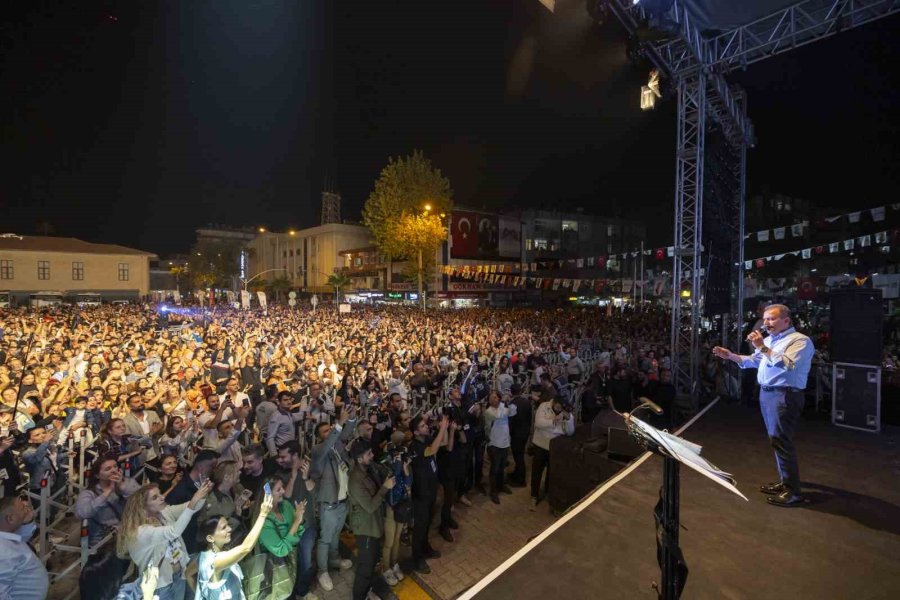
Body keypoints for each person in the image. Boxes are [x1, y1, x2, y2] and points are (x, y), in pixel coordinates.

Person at [712, 303, 814, 507]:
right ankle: (785, 482)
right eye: (765, 318)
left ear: (786, 320)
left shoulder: (800, 341)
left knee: (781, 440)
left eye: (772, 319)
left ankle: (794, 492)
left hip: (784, 395)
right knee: (776, 440)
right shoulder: (769, 340)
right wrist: (730, 356)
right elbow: (754, 361)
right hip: (767, 394)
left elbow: (786, 364)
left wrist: (762, 347)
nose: (766, 323)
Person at [116, 479, 214, 600]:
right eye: (155, 498)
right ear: (143, 507)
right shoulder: (141, 531)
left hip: (179, 575)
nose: (162, 498)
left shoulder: (164, 512)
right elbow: (174, 531)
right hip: (160, 586)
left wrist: (203, 493)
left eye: (160, 494)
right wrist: (195, 499)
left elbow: (192, 507)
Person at [309, 409, 357, 592]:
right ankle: (322, 571)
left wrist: (351, 418)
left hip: (343, 501)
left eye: (330, 429)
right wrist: (339, 424)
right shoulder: (318, 451)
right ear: (319, 437)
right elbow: (328, 443)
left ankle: (334, 559)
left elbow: (346, 433)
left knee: (336, 534)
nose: (329, 432)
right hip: (328, 505)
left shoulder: (337, 445)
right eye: (325, 431)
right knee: (325, 539)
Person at [195, 491, 274, 600]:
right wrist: (263, 514)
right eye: (223, 528)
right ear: (210, 538)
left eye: (227, 525)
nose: (229, 529)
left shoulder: (204, 556)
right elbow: (245, 548)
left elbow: (189, 573)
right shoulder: (215, 561)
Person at [346, 438, 397, 600]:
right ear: (359, 458)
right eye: (369, 454)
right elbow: (369, 506)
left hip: (375, 525)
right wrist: (385, 488)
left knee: (373, 560)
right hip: (366, 529)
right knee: (365, 568)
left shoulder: (369, 469)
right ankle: (359, 597)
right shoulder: (355, 480)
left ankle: (367, 592)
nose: (372, 455)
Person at [242, 476, 306, 600]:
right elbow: (280, 550)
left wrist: (299, 521)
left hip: (291, 558)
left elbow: (299, 531)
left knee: (292, 589)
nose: (283, 491)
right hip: (274, 569)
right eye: (278, 489)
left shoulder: (286, 505)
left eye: (282, 487)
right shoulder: (264, 522)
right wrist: (297, 522)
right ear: (268, 495)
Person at [275, 441, 319, 600]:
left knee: (306, 561)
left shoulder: (310, 468)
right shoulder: (282, 473)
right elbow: (285, 497)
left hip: (307, 525)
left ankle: (302, 591)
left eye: (283, 456)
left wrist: (305, 477)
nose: (280, 460)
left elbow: (315, 493)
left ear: (294, 455)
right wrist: (293, 476)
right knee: (290, 561)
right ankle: (290, 592)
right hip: (289, 527)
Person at [408, 414, 448, 574]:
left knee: (427, 523)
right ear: (416, 432)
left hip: (430, 489)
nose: (426, 427)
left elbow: (443, 442)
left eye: (425, 425)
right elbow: (433, 450)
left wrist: (445, 429)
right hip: (421, 493)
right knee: (420, 527)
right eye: (422, 426)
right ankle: (416, 559)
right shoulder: (415, 446)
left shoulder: (426, 439)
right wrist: (442, 429)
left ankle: (425, 548)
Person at [75, 453, 140, 546]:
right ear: (97, 475)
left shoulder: (128, 482)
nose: (113, 470)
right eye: (108, 469)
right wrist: (107, 492)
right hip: (104, 540)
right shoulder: (89, 493)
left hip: (129, 533)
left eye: (115, 466)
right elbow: (81, 513)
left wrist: (123, 487)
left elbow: (142, 501)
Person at [530, 396, 575, 511]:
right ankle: (534, 495)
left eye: (561, 408)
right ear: (553, 403)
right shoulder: (543, 406)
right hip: (540, 445)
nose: (559, 410)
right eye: (557, 407)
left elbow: (570, 432)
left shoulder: (566, 412)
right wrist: (553, 420)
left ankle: (548, 492)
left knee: (552, 472)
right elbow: (538, 423)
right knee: (536, 472)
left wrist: (568, 420)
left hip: (555, 448)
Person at [0, 495, 49, 600]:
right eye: (23, 508)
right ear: (11, 518)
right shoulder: (3, 553)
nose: (27, 509)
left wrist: (27, 521)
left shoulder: (6, 537)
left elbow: (22, 538)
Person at [484, 390, 516, 504]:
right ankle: (493, 491)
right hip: (494, 444)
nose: (495, 399)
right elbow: (498, 416)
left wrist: (508, 402)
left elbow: (513, 411)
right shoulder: (488, 412)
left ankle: (501, 485)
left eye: (496, 397)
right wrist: (503, 404)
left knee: (502, 467)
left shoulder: (503, 407)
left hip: (504, 442)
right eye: (492, 398)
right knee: (494, 469)